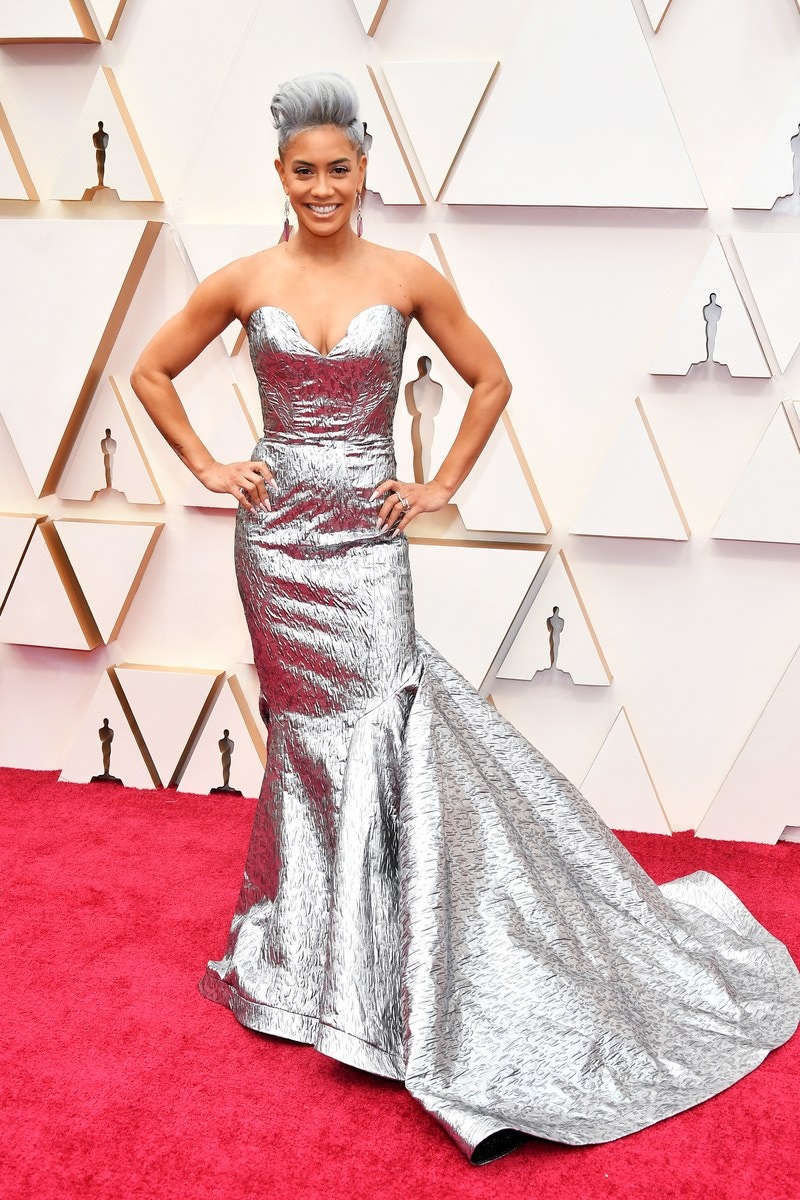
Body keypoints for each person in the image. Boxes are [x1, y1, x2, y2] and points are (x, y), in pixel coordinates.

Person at [130, 73, 800, 1166]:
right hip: (276, 548)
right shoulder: (245, 280)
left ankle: (400, 956)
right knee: (306, 744)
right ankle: (316, 957)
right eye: (302, 172)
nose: (321, 189)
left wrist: (439, 482)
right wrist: (209, 464)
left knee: (384, 727)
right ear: (279, 175)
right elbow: (150, 371)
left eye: (338, 169)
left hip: (365, 544)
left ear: (364, 171)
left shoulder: (407, 277)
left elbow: (489, 380)